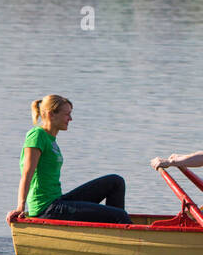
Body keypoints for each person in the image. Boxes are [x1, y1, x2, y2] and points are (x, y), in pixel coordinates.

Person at [7, 95, 131, 224]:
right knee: (119, 215)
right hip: (46, 209)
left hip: (58, 201)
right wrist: (20, 207)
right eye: (67, 114)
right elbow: (27, 174)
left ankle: (114, 232)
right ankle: (123, 232)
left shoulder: (51, 140)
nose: (70, 119)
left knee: (115, 182)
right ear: (51, 114)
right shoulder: (37, 135)